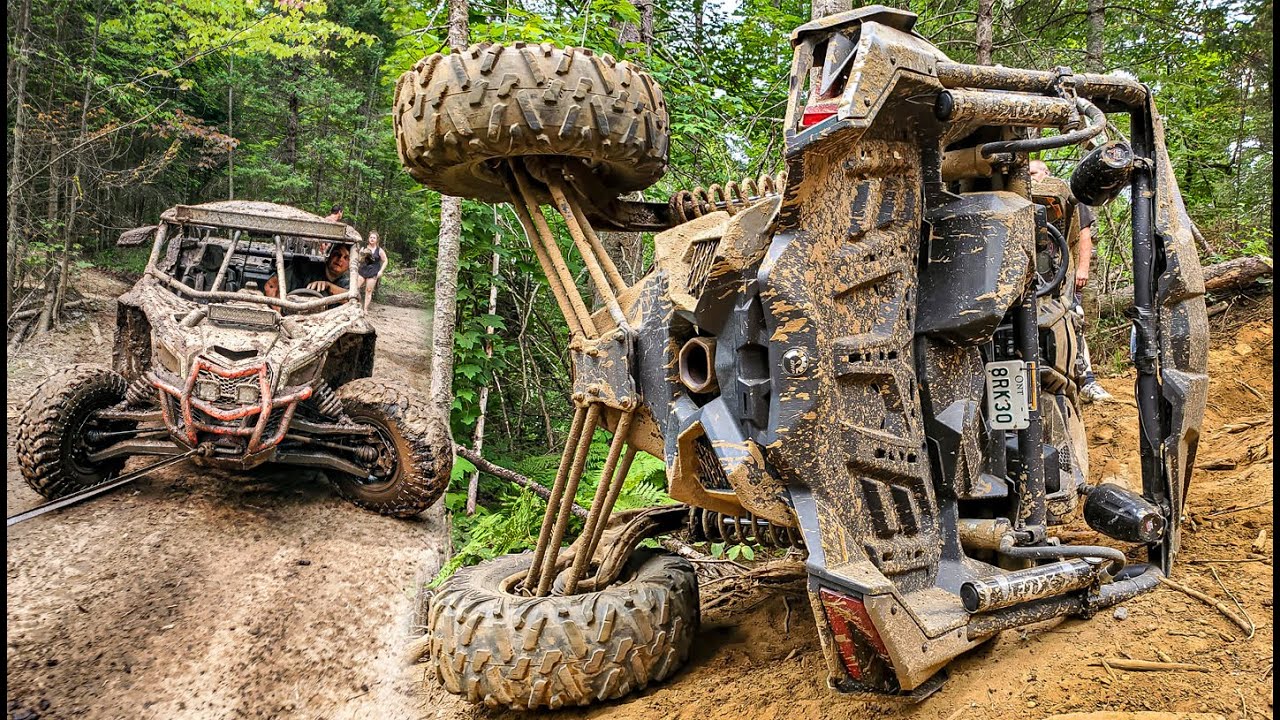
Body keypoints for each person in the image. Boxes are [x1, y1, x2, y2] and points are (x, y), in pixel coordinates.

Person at [1029, 159, 1113, 403]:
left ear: (1046, 173)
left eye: (1034, 172)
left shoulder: (1065, 195)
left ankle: (1087, 381)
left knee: (1074, 320)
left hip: (1061, 275)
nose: (1031, 178)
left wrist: (1082, 269)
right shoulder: (1021, 198)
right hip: (1034, 279)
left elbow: (1083, 232)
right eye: (1028, 174)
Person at [265, 243, 351, 298]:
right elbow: (271, 285)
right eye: (337, 254)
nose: (340, 259)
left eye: (346, 258)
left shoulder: (346, 283)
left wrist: (328, 286)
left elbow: (352, 299)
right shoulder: (305, 269)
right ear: (329, 256)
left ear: (350, 264)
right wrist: (279, 313)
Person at [356, 230, 388, 312]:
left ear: (377, 240)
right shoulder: (364, 247)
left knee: (369, 290)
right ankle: (355, 304)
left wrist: (381, 271)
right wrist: (361, 254)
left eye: (374, 238)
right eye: (371, 237)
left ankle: (365, 309)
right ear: (368, 238)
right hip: (362, 270)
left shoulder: (379, 250)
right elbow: (359, 259)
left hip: (373, 272)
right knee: (356, 287)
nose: (372, 239)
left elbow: (385, 260)